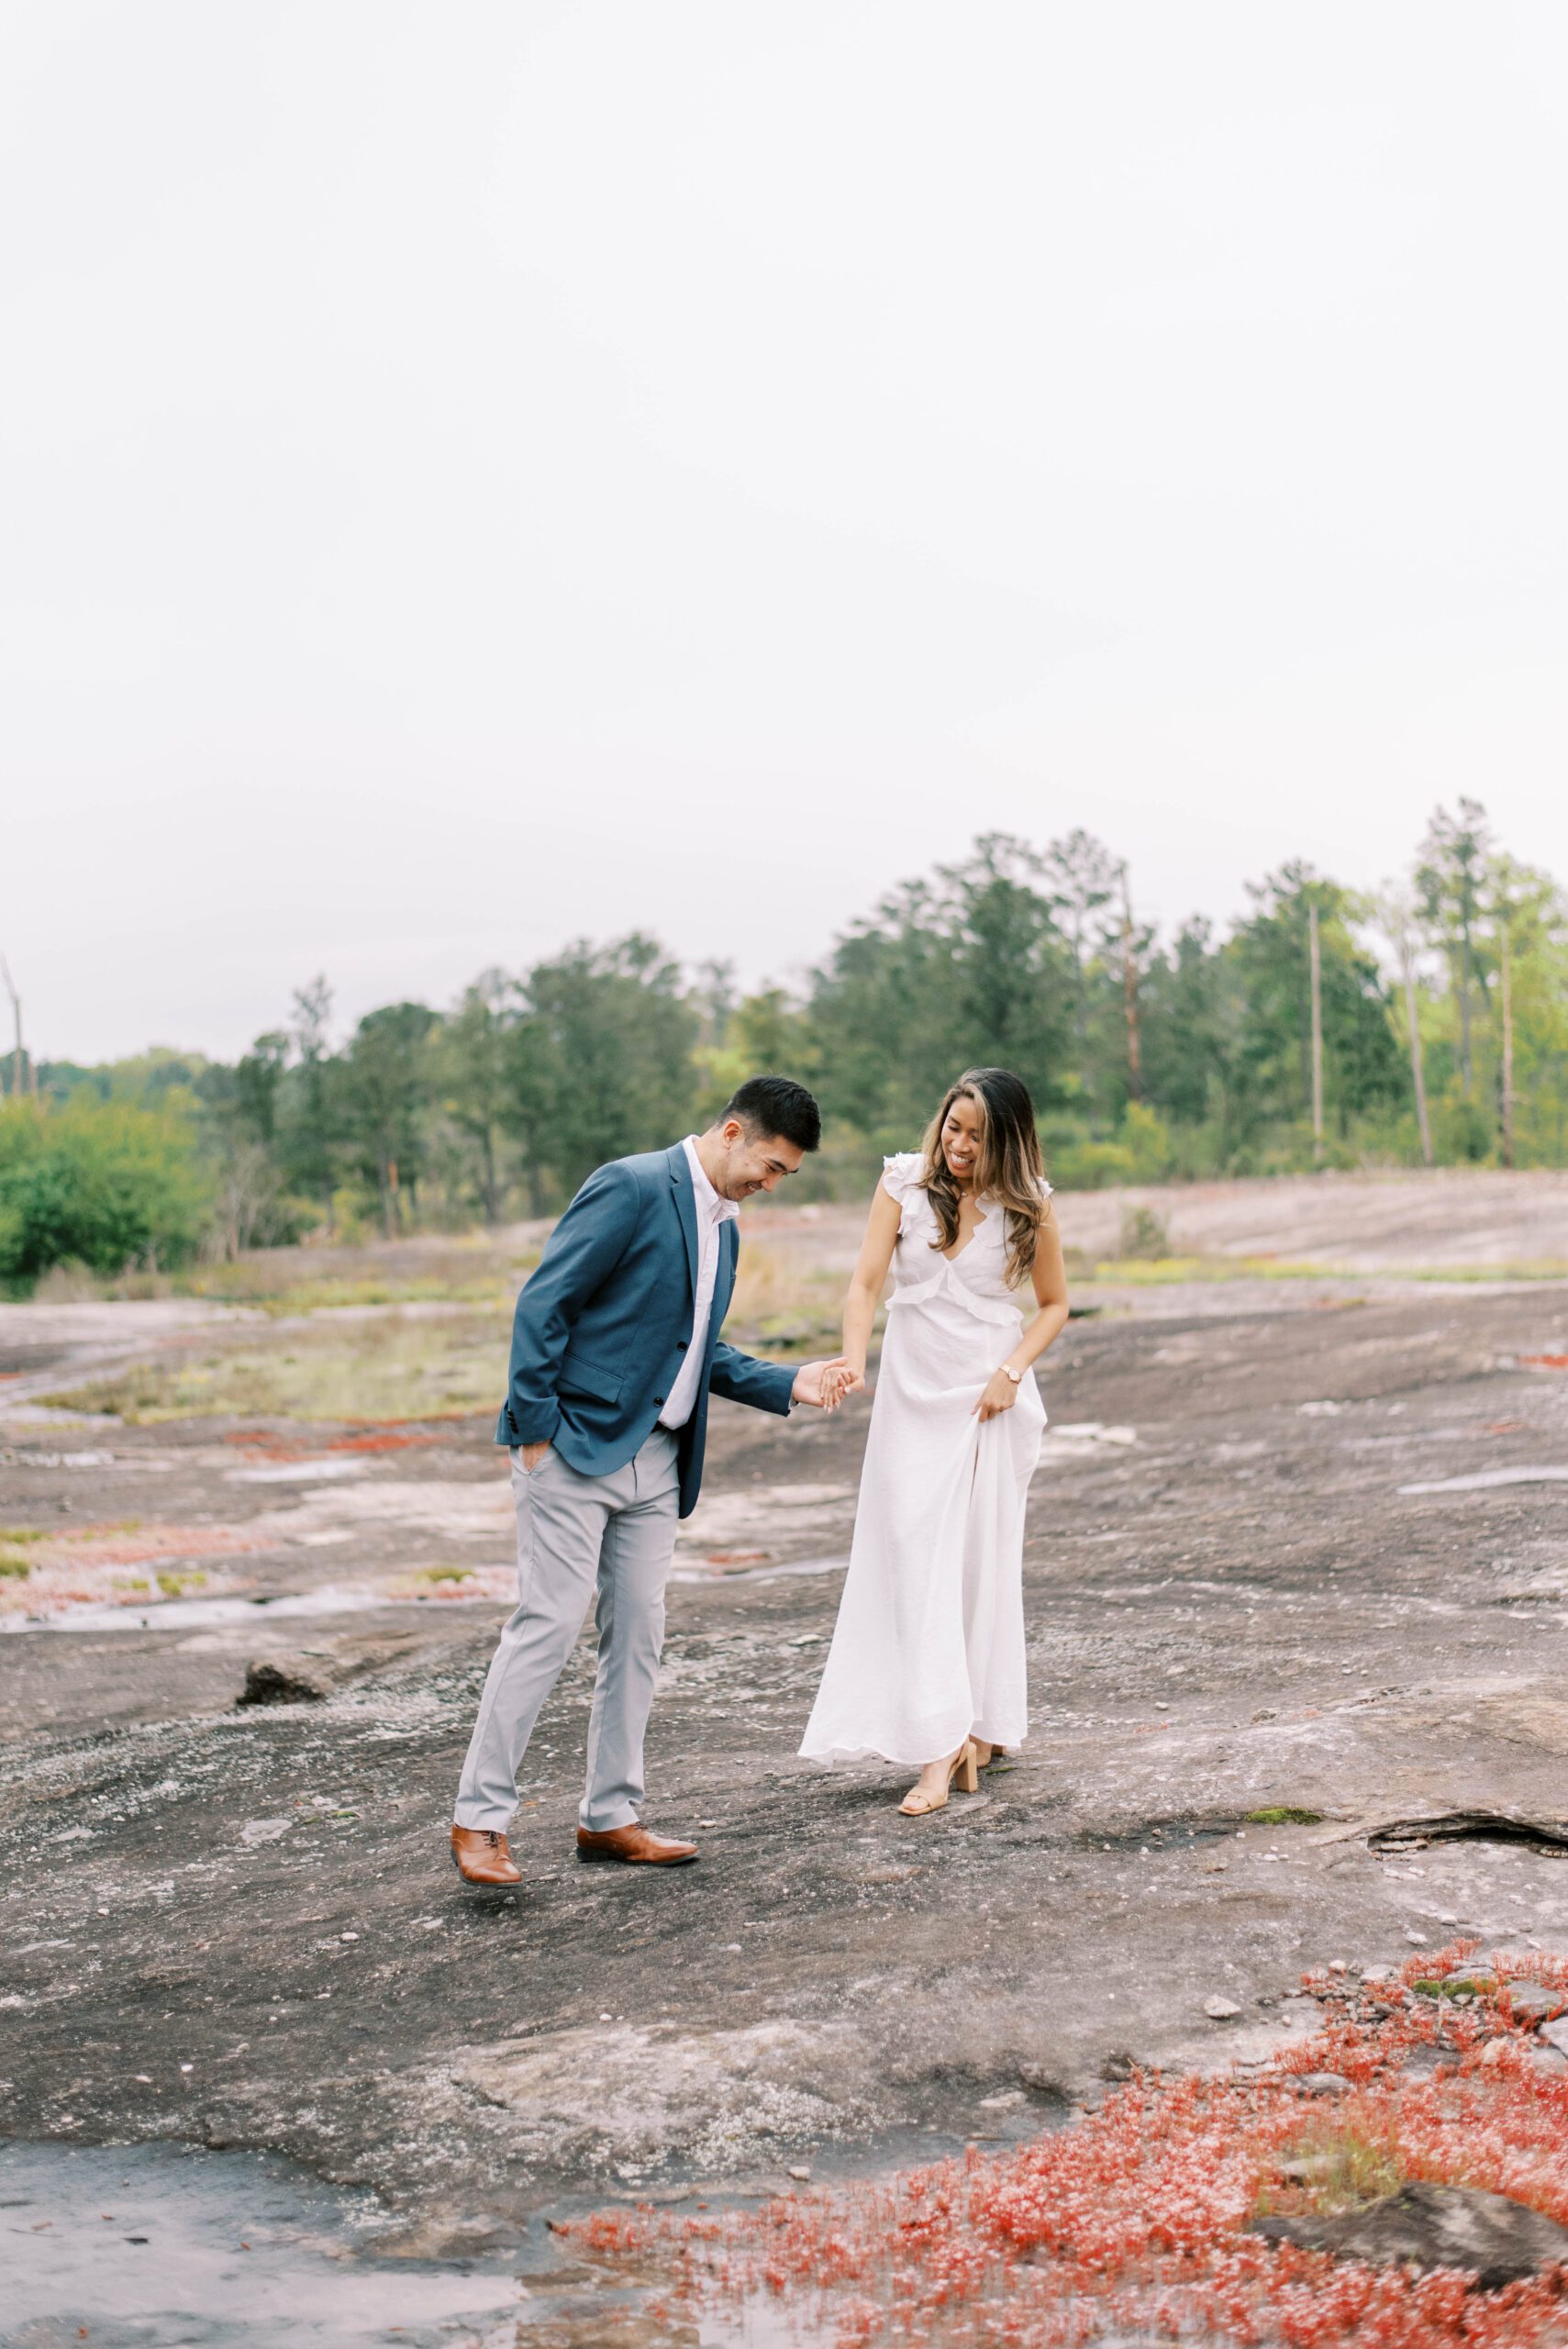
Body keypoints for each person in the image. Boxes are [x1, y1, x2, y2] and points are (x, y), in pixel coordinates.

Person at [451, 1075, 851, 1886]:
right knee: (548, 1626)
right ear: (732, 1132)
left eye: (785, 1177)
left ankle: (610, 1818)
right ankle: (479, 1820)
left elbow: (691, 1349)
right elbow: (543, 1305)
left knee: (637, 1637)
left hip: (659, 1466)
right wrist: (534, 1436)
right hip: (572, 1452)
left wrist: (787, 1381)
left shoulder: (726, 1229)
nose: (770, 1186)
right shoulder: (630, 1185)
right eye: (770, 1167)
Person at [799, 1067, 1069, 1814]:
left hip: (987, 1400)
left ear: (1007, 1142)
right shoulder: (901, 1183)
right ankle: (954, 1731)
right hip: (910, 1400)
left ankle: (947, 1745)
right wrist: (853, 1358)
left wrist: (1011, 1372)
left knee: (974, 1567)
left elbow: (1053, 1306)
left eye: (978, 1137)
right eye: (953, 1127)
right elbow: (863, 1286)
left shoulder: (1029, 1206)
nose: (959, 1144)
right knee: (913, 1561)